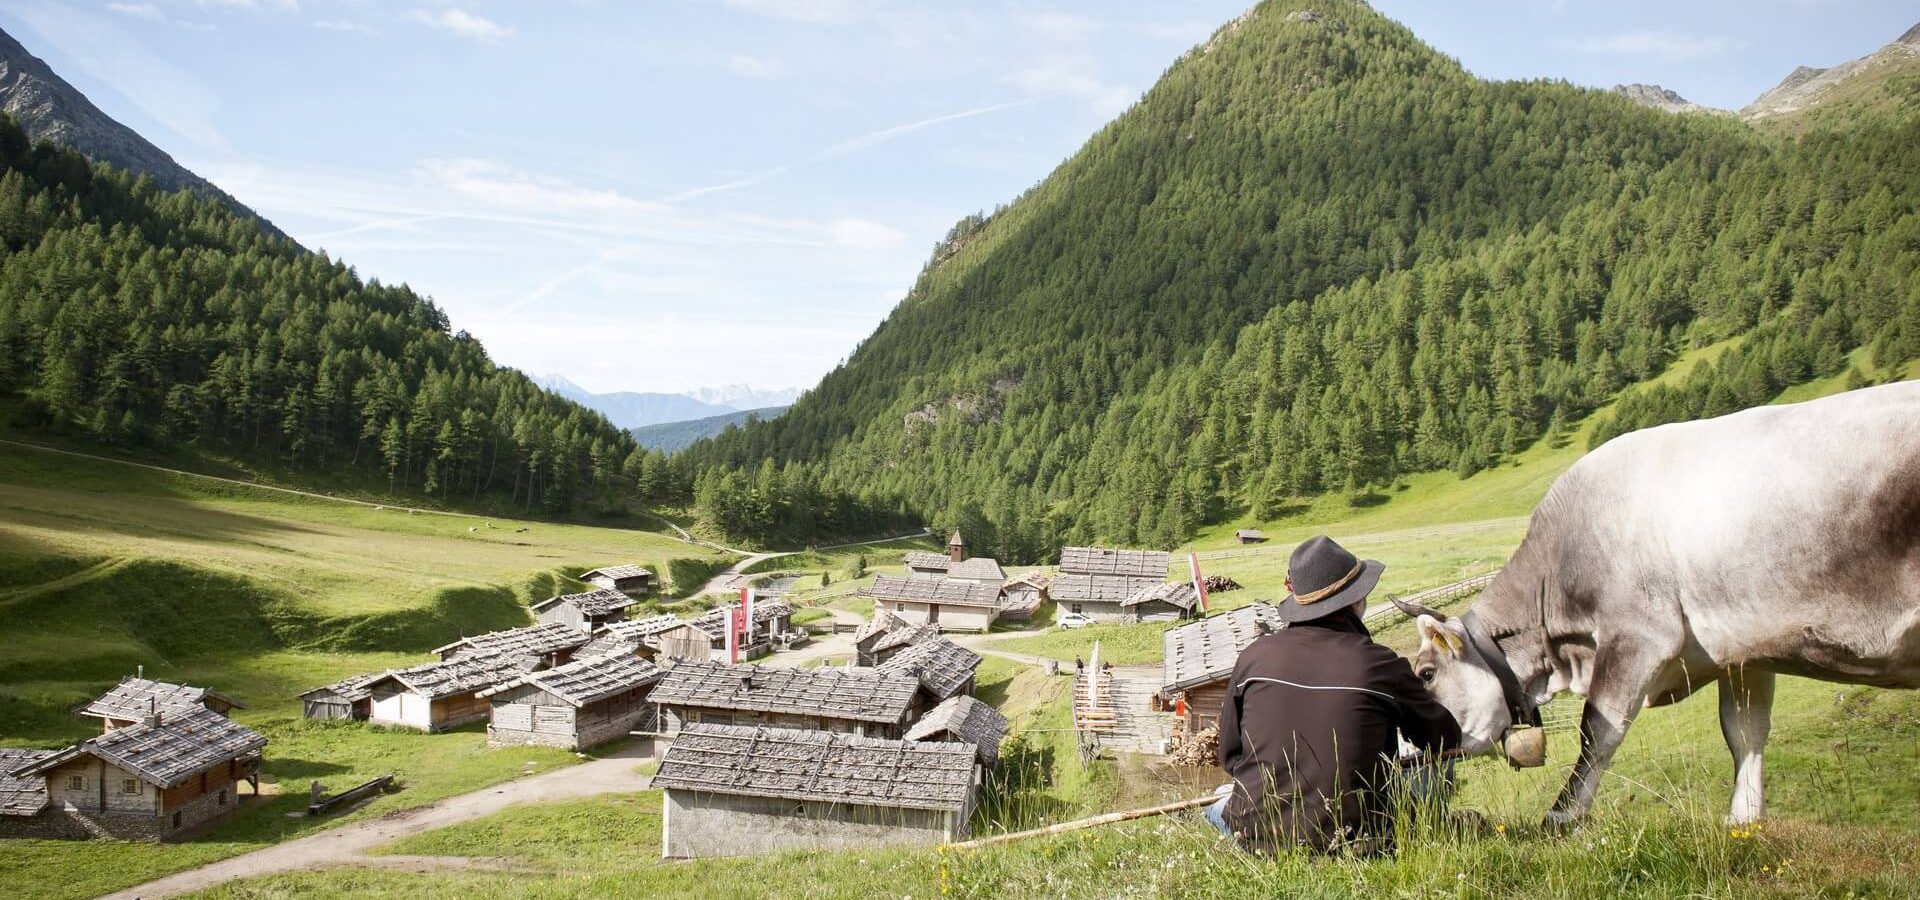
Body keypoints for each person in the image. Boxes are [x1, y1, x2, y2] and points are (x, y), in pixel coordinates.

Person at [1209, 535, 1462, 855]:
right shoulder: (1380, 664)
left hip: (1255, 838)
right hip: (1357, 842)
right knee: (1430, 778)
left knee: (1218, 807)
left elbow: (1230, 758)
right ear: (1355, 602)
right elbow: (1444, 739)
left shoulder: (1253, 657)